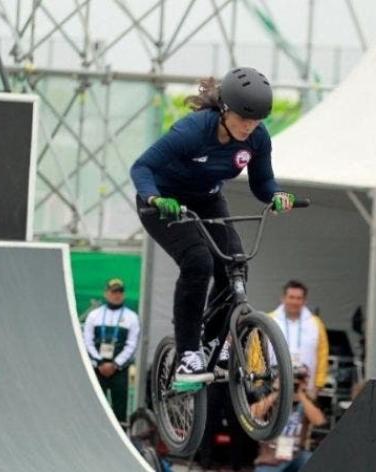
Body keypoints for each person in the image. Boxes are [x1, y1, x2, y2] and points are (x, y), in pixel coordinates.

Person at [130, 67, 296, 386]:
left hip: (207, 200)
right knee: (198, 262)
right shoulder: (193, 131)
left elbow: (262, 182)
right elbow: (142, 167)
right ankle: (188, 356)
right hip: (165, 202)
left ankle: (215, 346)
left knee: (235, 266)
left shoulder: (257, 139)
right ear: (224, 110)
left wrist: (277, 195)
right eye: (244, 119)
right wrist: (153, 198)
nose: (250, 127)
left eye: (257, 120)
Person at [83, 278, 140, 422]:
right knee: (94, 406)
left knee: (119, 410)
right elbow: (87, 341)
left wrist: (115, 364)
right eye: (113, 291)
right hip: (97, 368)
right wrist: (100, 362)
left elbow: (132, 344)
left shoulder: (132, 317)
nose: (117, 295)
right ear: (106, 293)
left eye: (120, 291)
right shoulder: (94, 315)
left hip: (119, 370)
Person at [251, 366, 326, 471]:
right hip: (272, 457)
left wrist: (301, 394)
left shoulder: (305, 403)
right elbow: (254, 413)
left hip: (296, 456)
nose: (293, 385)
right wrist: (279, 391)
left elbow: (319, 421)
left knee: (310, 459)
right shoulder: (272, 401)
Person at [269, 280, 329, 396]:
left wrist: (318, 385)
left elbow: (322, 355)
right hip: (272, 388)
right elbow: (257, 353)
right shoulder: (270, 321)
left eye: (298, 298)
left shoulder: (316, 324)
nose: (294, 302)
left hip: (306, 390)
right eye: (291, 297)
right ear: (283, 298)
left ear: (304, 300)